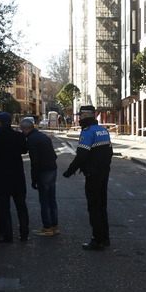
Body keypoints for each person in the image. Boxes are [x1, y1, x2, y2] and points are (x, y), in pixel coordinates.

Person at [62, 105, 113, 250]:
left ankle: (97, 240)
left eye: (79, 116)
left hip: (93, 174)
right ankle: (105, 237)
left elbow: (82, 156)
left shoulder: (87, 132)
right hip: (104, 173)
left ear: (85, 116)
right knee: (102, 206)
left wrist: (69, 171)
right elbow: (109, 152)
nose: (78, 119)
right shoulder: (103, 130)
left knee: (93, 207)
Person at [0, 112, 29, 243]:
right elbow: (24, 150)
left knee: (4, 208)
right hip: (17, 176)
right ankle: (24, 234)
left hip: (1, 177)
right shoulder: (19, 136)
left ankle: (8, 236)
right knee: (21, 206)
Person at [20, 116, 59, 235]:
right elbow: (54, 155)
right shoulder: (43, 137)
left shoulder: (31, 140)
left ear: (24, 129)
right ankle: (55, 226)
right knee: (52, 199)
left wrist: (34, 179)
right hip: (52, 169)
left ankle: (47, 228)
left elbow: (34, 161)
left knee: (44, 200)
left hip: (43, 171)